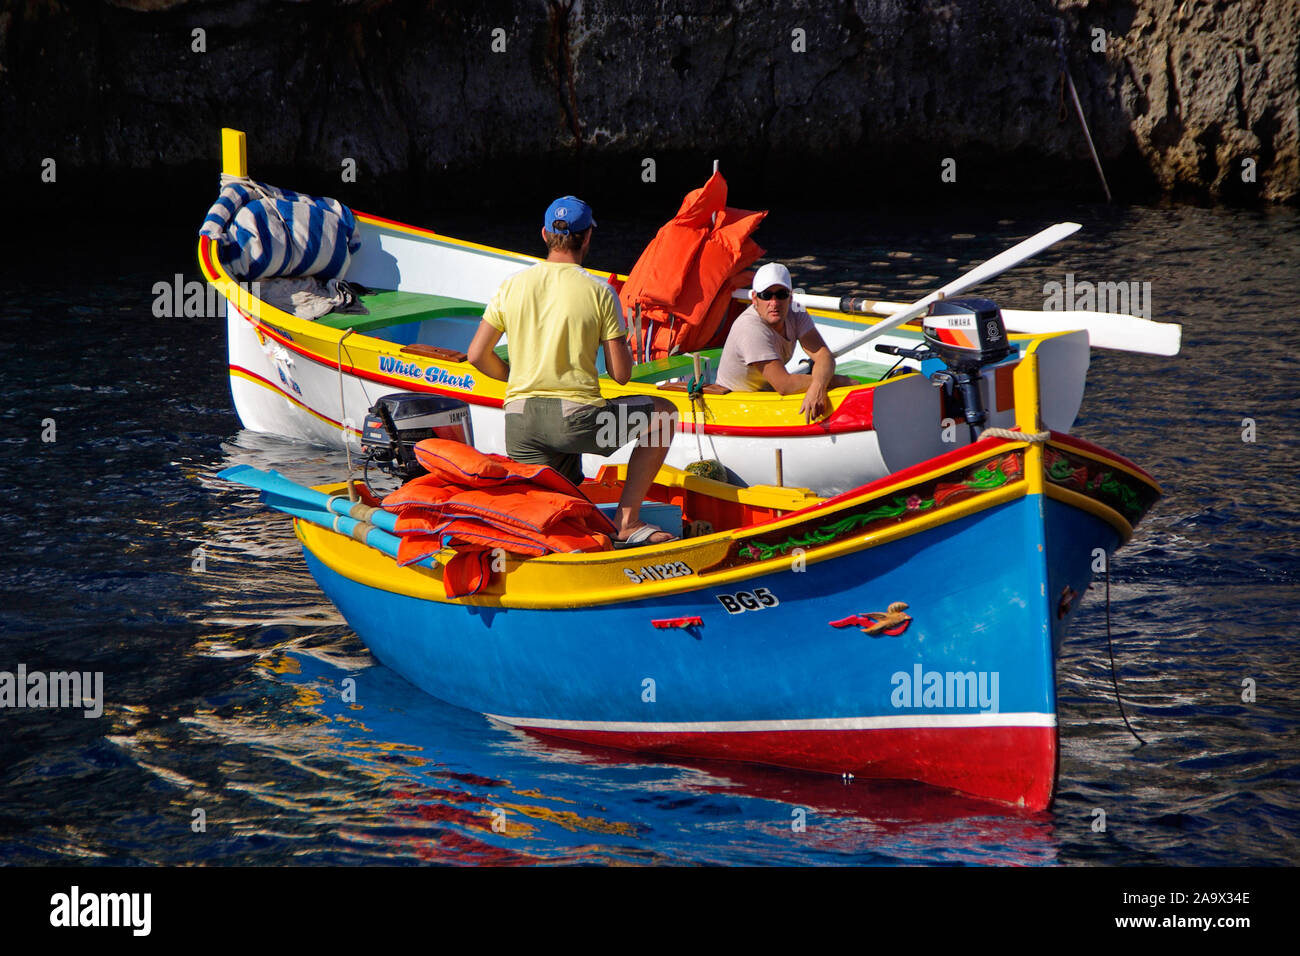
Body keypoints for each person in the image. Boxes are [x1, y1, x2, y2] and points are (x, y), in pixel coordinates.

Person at [467, 196, 680, 546]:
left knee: (556, 504)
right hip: (576, 423)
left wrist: (515, 376)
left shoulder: (511, 286)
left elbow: (476, 354)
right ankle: (627, 521)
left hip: (520, 422)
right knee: (664, 416)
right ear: (588, 238)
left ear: (544, 235)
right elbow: (621, 374)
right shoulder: (601, 291)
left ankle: (547, 543)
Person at [715, 262, 854, 421]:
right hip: (733, 404)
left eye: (781, 294)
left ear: (791, 296)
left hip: (766, 394)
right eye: (766, 295)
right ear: (755, 298)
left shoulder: (796, 311)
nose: (774, 303)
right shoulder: (749, 328)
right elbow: (785, 385)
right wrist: (840, 382)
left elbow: (824, 355)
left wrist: (818, 386)